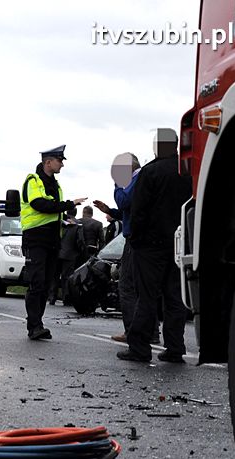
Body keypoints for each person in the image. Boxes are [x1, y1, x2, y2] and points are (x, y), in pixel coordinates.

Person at [117, 129, 191, 363]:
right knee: (174, 296)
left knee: (146, 296)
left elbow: (139, 210)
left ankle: (139, 347)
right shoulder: (188, 171)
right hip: (179, 242)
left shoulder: (150, 172)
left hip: (150, 245)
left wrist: (136, 239)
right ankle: (175, 347)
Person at [20, 145, 87, 339]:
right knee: (36, 283)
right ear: (48, 162)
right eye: (60, 161)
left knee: (47, 283)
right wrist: (68, 204)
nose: (62, 165)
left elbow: (53, 210)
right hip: (35, 239)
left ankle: (38, 324)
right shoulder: (32, 181)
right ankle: (34, 326)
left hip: (51, 240)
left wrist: (64, 219)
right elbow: (39, 204)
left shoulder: (56, 185)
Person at [94, 153, 156, 343]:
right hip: (145, 238)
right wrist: (110, 211)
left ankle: (133, 332)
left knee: (127, 286)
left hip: (136, 240)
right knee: (143, 287)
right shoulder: (142, 177)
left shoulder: (136, 178)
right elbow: (129, 210)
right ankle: (150, 332)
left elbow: (124, 201)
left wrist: (117, 184)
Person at [49, 208, 84, 306]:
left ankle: (52, 297)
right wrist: (80, 250)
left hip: (56, 253)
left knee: (54, 276)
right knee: (67, 277)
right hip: (70, 254)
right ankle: (66, 297)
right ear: (75, 213)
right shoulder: (78, 225)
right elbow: (80, 240)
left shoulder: (58, 222)